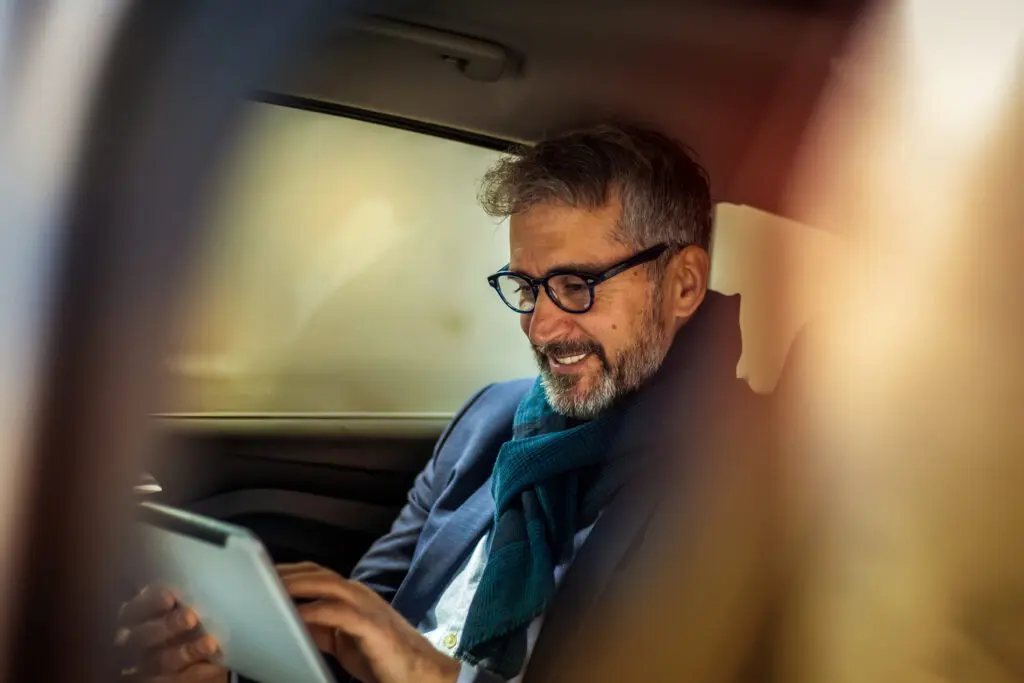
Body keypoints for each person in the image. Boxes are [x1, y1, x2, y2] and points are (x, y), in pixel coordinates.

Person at [118, 122, 757, 683]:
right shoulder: (492, 420)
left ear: (684, 284)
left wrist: (433, 676)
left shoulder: (745, 488)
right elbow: (350, 642)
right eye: (527, 288)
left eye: (576, 285)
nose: (541, 328)